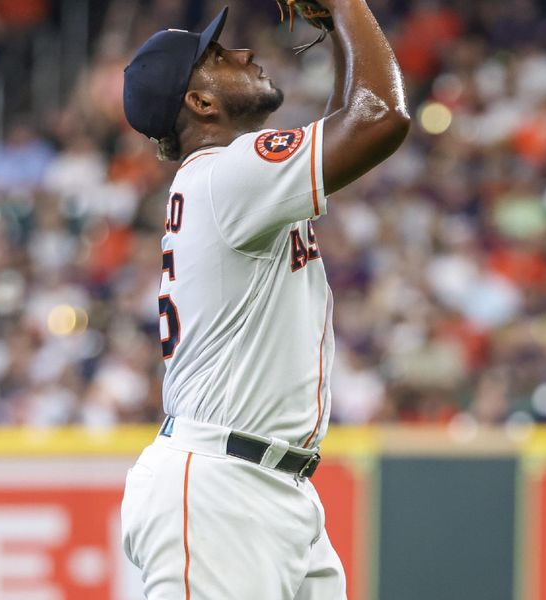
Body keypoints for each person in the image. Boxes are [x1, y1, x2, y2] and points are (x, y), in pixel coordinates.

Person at [120, 1, 409, 598]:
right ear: (200, 104)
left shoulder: (227, 181)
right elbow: (379, 118)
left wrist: (336, 28)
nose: (245, 53)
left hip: (268, 486)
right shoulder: (229, 174)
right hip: (220, 489)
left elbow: (348, 119)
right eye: (219, 57)